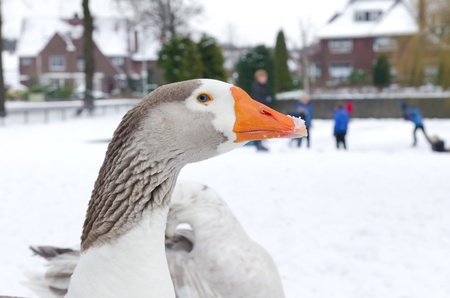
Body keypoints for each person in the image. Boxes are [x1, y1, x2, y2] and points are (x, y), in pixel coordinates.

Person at [251, 69, 272, 152]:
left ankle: (259, 142)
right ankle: (258, 143)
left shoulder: (263, 86)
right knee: (258, 127)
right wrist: (266, 100)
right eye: (262, 77)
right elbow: (258, 99)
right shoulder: (257, 87)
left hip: (262, 109)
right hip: (258, 110)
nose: (264, 79)